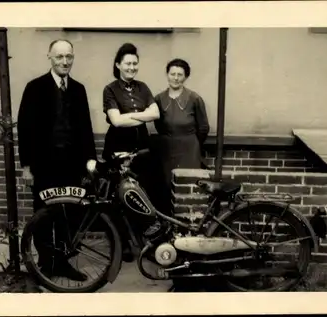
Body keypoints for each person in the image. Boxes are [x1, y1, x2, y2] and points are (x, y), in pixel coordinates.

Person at [17, 39, 97, 282]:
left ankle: (62, 263)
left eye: (69, 57)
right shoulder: (35, 87)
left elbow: (85, 128)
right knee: (43, 215)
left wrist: (90, 160)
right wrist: (27, 167)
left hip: (71, 166)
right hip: (44, 166)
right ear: (49, 57)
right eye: (60, 56)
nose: (65, 62)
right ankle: (45, 263)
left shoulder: (78, 89)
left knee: (69, 215)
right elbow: (25, 128)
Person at [101, 43, 162, 262]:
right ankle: (123, 244)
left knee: (144, 194)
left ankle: (150, 244)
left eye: (135, 63)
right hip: (117, 149)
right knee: (117, 197)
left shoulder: (143, 87)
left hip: (142, 150)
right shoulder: (110, 89)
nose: (132, 67)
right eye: (128, 63)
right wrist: (141, 114)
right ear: (118, 65)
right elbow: (115, 121)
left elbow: (155, 114)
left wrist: (130, 116)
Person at [153, 58, 210, 213]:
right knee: (165, 186)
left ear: (185, 77)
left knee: (188, 186)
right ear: (167, 75)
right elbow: (158, 124)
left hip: (189, 149)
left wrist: (192, 144)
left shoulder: (194, 99)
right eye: (172, 74)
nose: (176, 78)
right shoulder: (158, 99)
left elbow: (203, 127)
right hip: (166, 150)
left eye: (180, 74)